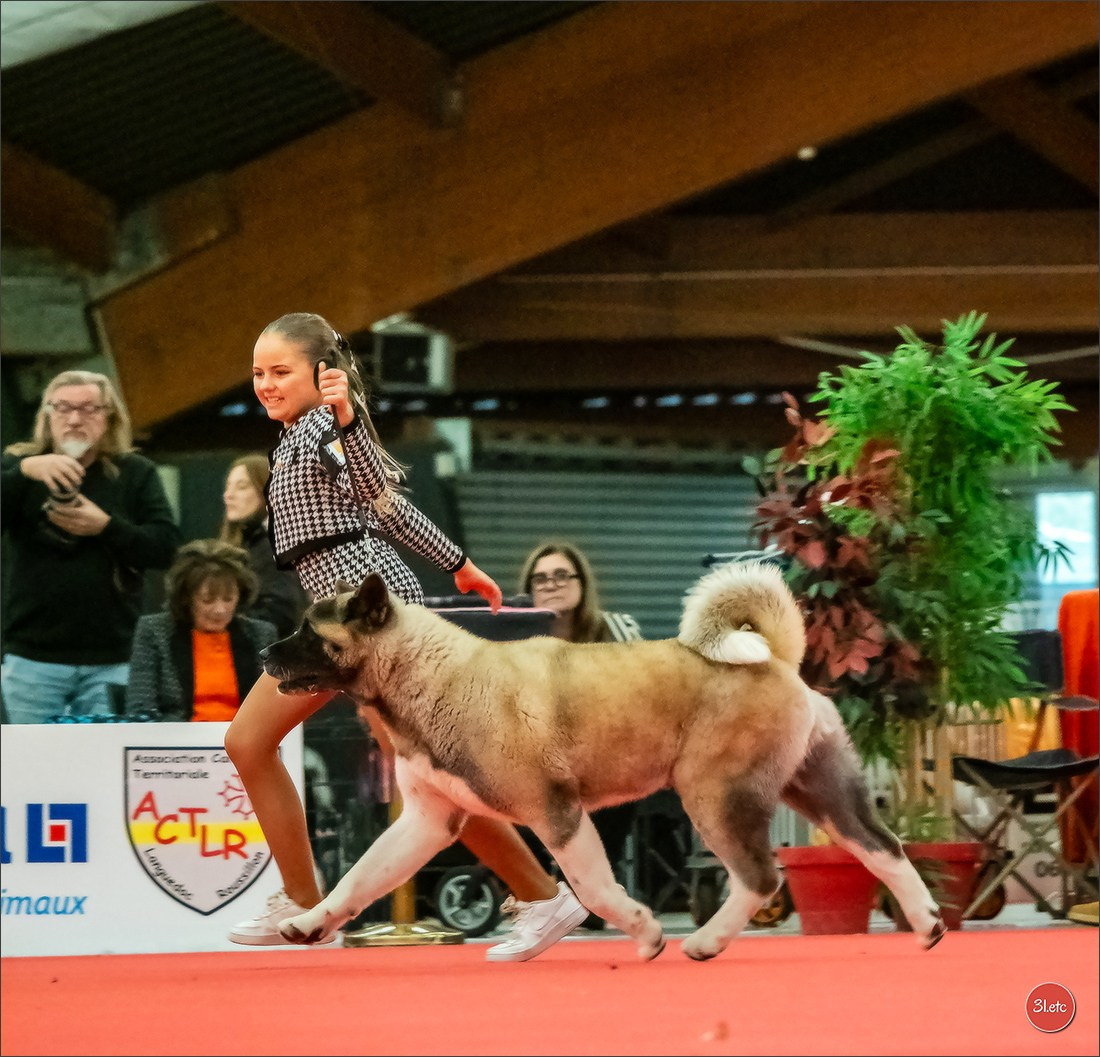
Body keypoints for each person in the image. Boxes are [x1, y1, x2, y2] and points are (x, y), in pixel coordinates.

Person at [224, 312, 586, 959]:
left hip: (373, 621)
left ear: (322, 372)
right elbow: (388, 507)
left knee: (430, 777)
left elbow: (369, 486)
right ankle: (304, 900)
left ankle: (539, 895)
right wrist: (460, 563)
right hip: (338, 623)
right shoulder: (299, 434)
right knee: (253, 741)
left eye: (280, 371)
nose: (266, 384)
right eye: (258, 373)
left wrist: (349, 420)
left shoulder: (325, 430)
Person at [1, 370, 180, 723]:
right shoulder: (18, 466)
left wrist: (107, 527)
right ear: (47, 415)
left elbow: (166, 548)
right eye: (64, 408)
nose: (75, 419)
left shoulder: (135, 473)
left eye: (89, 409)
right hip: (32, 658)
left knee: (104, 773)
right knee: (27, 771)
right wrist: (25, 471)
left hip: (114, 658)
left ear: (108, 418)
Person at [517, 541, 644, 924]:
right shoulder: (514, 641)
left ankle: (591, 887)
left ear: (581, 582)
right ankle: (538, 890)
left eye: (560, 575)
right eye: (540, 579)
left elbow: (641, 693)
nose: (551, 584)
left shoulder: (617, 628)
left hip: (606, 757)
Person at [125, 539, 277, 722]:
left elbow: (273, 709)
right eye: (207, 600)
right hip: (177, 745)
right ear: (186, 598)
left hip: (244, 741)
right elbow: (140, 711)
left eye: (228, 599)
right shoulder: (154, 631)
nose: (220, 609)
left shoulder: (261, 634)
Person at [218, 453, 309, 638]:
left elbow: (281, 615)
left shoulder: (275, 544)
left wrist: (229, 627)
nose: (228, 495)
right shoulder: (247, 542)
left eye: (241, 487)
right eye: (228, 486)